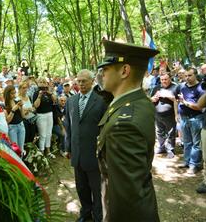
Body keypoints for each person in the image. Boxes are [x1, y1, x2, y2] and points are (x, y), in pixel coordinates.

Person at [96, 40, 160, 222]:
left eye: (106, 69)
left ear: (124, 71)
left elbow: (127, 196)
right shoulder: (139, 101)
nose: (102, 74)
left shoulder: (123, 125)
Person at [65, 69, 107, 222]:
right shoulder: (71, 101)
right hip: (77, 153)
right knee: (81, 187)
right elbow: (68, 126)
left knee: (96, 188)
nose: (81, 84)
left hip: (93, 153)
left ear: (92, 81)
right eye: (79, 81)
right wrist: (68, 147)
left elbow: (105, 128)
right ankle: (86, 213)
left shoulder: (101, 102)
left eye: (84, 81)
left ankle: (98, 215)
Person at [177, 68, 205, 174]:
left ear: (195, 75)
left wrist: (184, 102)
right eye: (186, 75)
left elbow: (200, 107)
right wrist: (177, 113)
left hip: (196, 118)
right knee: (186, 142)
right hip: (184, 118)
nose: (187, 78)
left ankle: (194, 164)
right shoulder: (183, 86)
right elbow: (178, 100)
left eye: (189, 75)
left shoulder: (201, 88)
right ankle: (187, 161)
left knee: (196, 143)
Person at [150, 73, 179, 158]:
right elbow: (151, 98)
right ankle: (161, 147)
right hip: (158, 114)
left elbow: (178, 101)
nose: (164, 81)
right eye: (162, 80)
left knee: (171, 133)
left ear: (170, 78)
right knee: (159, 132)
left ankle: (170, 150)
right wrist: (153, 99)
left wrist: (170, 97)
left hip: (170, 115)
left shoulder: (175, 87)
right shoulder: (157, 87)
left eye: (165, 79)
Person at [33, 77, 56, 158]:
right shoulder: (36, 93)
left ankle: (48, 151)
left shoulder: (48, 92)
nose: (43, 83)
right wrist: (39, 96)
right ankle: (42, 153)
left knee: (49, 134)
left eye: (44, 82)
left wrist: (51, 93)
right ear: (38, 83)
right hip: (41, 115)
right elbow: (35, 106)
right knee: (42, 135)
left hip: (50, 114)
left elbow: (55, 101)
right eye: (41, 82)